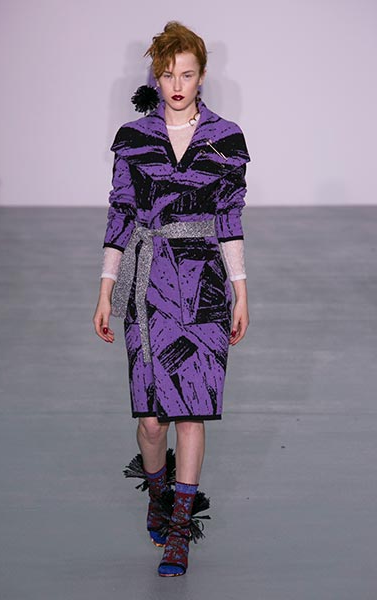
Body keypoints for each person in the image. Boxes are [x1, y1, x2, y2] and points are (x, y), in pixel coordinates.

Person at [93, 21, 250, 577]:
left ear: (202, 75)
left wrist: (241, 292)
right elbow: (120, 213)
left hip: (204, 284)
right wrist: (106, 289)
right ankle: (158, 492)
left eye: (186, 74)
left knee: (191, 410)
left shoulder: (225, 138)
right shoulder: (134, 138)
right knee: (152, 420)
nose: (177, 85)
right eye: (167, 74)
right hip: (147, 283)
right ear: (155, 77)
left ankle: (180, 529)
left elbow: (230, 219)